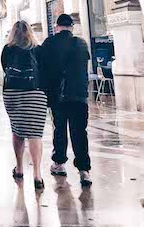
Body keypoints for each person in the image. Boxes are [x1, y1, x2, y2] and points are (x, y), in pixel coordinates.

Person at [41, 14, 92, 187]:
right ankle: (84, 171)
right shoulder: (81, 43)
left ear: (56, 27)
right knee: (80, 132)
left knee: (59, 129)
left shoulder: (49, 43)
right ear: (71, 27)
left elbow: (42, 68)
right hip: (79, 95)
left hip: (58, 96)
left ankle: (59, 163)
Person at [1, 20, 47, 190]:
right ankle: (37, 174)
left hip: (12, 92)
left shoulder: (7, 49)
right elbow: (45, 70)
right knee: (35, 134)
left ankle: (19, 168)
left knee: (17, 130)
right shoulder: (39, 49)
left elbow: (5, 69)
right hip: (34, 91)